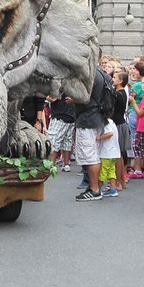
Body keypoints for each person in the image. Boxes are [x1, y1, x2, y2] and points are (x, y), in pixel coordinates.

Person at [70, 68, 110, 202]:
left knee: (90, 156)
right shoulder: (101, 74)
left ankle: (94, 189)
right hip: (96, 117)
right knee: (94, 155)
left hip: (88, 118)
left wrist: (73, 99)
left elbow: (85, 97)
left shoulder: (92, 74)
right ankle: (95, 187)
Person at [46, 94, 75, 172]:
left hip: (60, 115)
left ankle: (51, 165)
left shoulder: (58, 83)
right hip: (71, 114)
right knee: (67, 140)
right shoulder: (70, 83)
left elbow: (53, 98)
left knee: (53, 140)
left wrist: (44, 95)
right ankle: (66, 164)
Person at [112, 71, 131, 191]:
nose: (112, 79)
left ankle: (118, 181)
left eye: (114, 77)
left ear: (120, 81)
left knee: (117, 154)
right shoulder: (123, 92)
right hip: (121, 123)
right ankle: (122, 181)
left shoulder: (117, 94)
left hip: (117, 124)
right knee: (119, 153)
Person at [97, 118, 120, 197]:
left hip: (107, 152)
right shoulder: (112, 122)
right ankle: (113, 189)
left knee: (102, 172)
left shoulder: (106, 122)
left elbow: (110, 133)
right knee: (111, 171)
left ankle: (98, 189)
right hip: (114, 152)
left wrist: (99, 137)